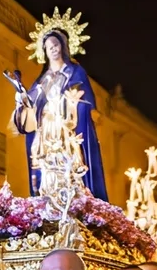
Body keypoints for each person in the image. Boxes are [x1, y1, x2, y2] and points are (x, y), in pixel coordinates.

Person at [9, 12, 108, 202]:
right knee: (47, 171)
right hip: (46, 131)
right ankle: (49, 199)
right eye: (48, 47)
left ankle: (73, 199)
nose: (53, 50)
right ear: (44, 52)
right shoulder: (43, 79)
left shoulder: (74, 72)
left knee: (68, 168)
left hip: (66, 131)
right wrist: (20, 98)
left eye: (55, 45)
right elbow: (30, 106)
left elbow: (84, 100)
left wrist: (70, 106)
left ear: (62, 46)